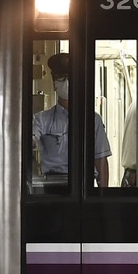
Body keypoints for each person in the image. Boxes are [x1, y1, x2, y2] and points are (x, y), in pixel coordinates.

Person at [32, 52, 112, 188]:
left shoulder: (93, 120)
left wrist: (101, 198)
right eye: (61, 78)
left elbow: (100, 160)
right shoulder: (42, 119)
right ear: (54, 83)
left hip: (83, 186)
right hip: (52, 187)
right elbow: (32, 140)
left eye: (70, 78)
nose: (66, 83)